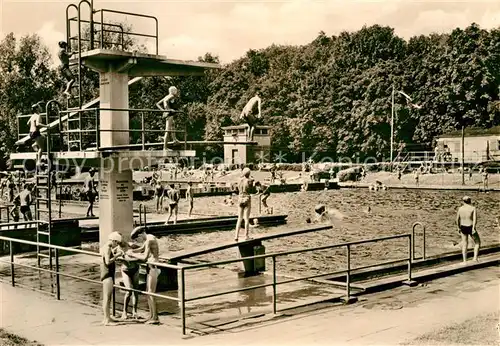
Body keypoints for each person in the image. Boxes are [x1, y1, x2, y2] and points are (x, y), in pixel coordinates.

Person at [128, 228, 161, 325]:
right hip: (151, 267)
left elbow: (144, 257)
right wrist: (131, 251)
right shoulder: (150, 238)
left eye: (138, 239)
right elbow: (142, 248)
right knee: (148, 293)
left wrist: (133, 255)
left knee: (151, 293)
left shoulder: (149, 240)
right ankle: (152, 316)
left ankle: (155, 318)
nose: (139, 241)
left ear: (140, 235)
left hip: (153, 267)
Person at [100, 231, 124, 326]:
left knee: (106, 297)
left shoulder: (105, 247)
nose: (116, 245)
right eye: (116, 243)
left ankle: (107, 317)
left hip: (105, 274)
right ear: (114, 241)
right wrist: (117, 256)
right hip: (107, 275)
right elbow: (107, 261)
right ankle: (107, 320)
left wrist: (114, 254)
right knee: (107, 298)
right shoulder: (108, 248)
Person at [116, 238, 142, 321]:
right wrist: (119, 257)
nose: (121, 243)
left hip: (135, 269)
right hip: (125, 270)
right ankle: (125, 311)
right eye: (119, 242)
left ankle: (135, 311)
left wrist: (137, 253)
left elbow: (142, 249)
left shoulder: (131, 245)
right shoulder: (117, 248)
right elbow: (112, 255)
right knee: (128, 290)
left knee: (136, 290)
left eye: (122, 241)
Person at [456, 196, 480, 263]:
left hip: (463, 226)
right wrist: (473, 228)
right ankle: (475, 258)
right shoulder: (473, 208)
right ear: (470, 201)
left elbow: (457, 219)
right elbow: (475, 219)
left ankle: (464, 260)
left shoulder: (460, 209)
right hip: (470, 226)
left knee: (464, 244)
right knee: (477, 242)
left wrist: (458, 227)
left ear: (463, 201)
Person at [156, 86, 180, 151]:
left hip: (168, 114)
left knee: (173, 126)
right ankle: (165, 148)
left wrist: (163, 111)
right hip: (170, 115)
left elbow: (157, 104)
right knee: (167, 130)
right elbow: (166, 101)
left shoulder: (166, 96)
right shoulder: (171, 96)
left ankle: (174, 139)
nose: (176, 92)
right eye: (175, 90)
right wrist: (169, 109)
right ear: (172, 91)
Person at [234, 167, 253, 241]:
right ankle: (246, 236)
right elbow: (252, 190)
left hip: (240, 198)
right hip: (247, 198)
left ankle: (236, 236)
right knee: (246, 219)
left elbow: (237, 189)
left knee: (239, 218)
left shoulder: (239, 180)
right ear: (249, 174)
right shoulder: (249, 181)